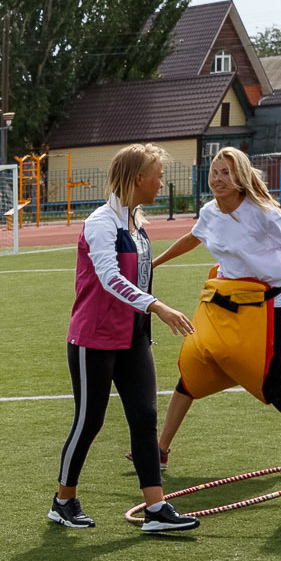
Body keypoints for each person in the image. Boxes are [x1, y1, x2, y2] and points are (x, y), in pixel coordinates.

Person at [50, 143, 199, 535]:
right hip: (93, 338)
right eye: (157, 175)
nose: (161, 182)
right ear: (138, 179)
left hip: (133, 337)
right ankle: (63, 501)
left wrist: (146, 317)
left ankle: (156, 508)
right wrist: (157, 306)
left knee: (145, 418)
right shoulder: (102, 223)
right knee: (90, 420)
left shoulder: (137, 224)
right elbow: (109, 278)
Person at [151, 145, 281, 459]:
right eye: (214, 172)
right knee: (192, 370)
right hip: (222, 306)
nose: (217, 179)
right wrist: (154, 263)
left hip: (267, 310)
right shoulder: (210, 211)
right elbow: (191, 238)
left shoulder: (265, 213)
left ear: (241, 177)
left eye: (225, 172)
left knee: (274, 390)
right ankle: (159, 450)